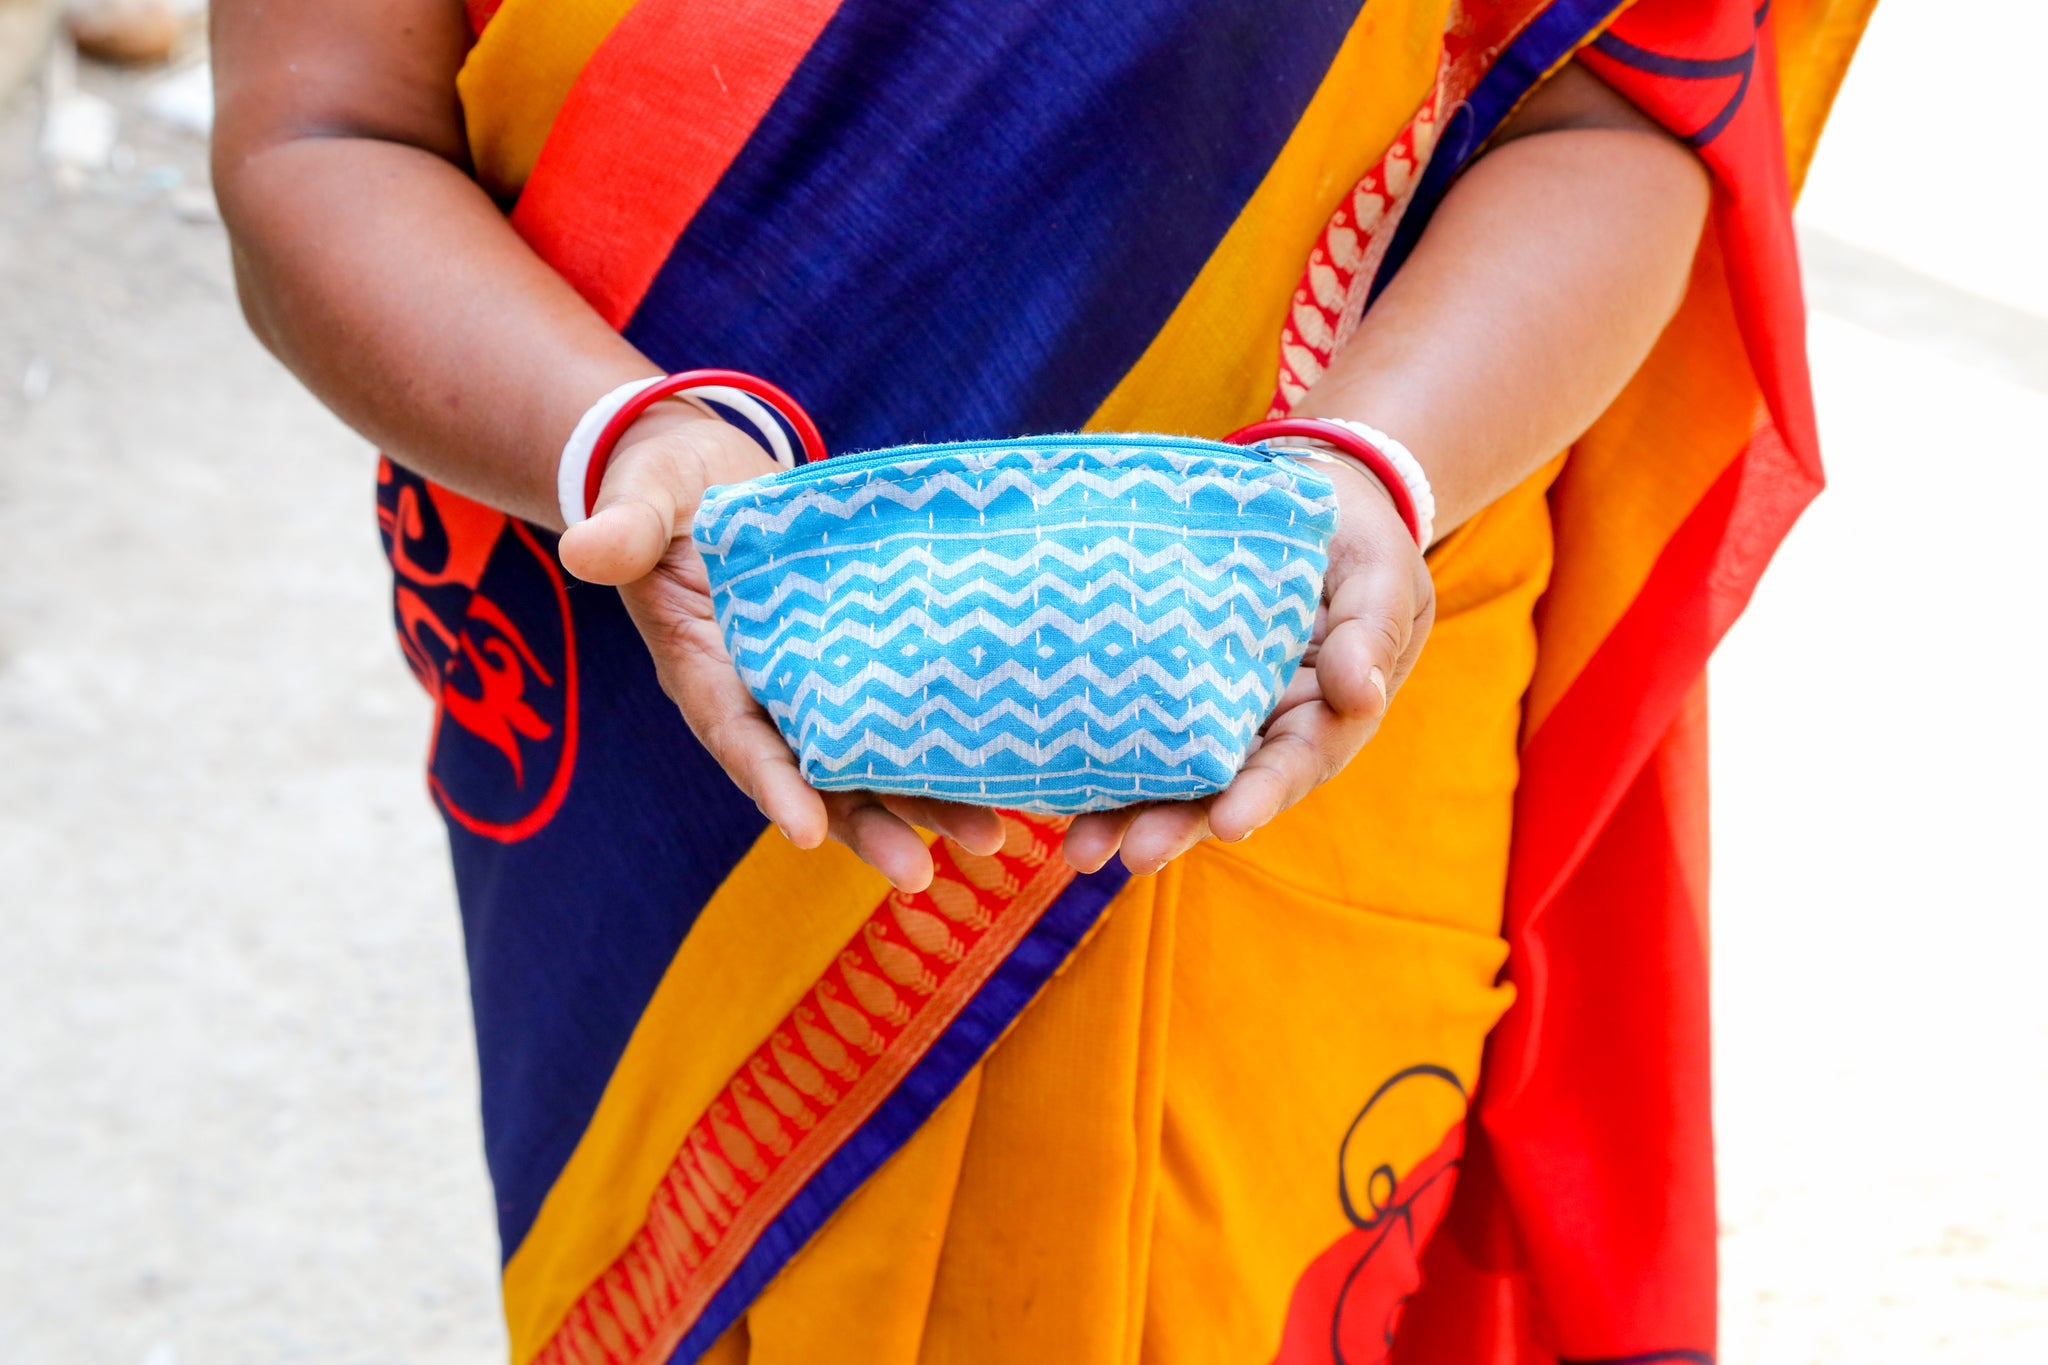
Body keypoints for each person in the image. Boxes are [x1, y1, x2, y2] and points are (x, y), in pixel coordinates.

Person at [211, 1, 1872, 1361]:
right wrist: (619, 447)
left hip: (1321, 687)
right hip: (680, 722)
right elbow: (323, 134)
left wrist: (1380, 467)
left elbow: (1626, 110)